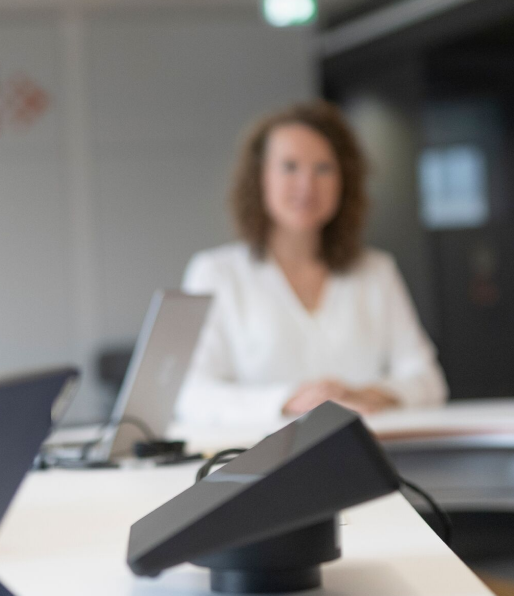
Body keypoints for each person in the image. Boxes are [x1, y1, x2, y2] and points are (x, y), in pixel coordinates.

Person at [178, 101, 448, 428]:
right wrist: (290, 399)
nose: (307, 185)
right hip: (258, 466)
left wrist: (365, 395)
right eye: (290, 167)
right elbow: (191, 395)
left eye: (323, 168)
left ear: (343, 180)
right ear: (259, 178)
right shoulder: (216, 273)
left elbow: (428, 380)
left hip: (367, 459)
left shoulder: (377, 271)